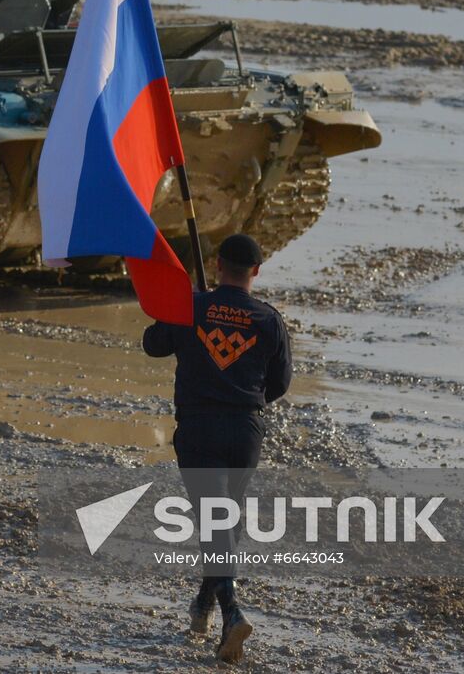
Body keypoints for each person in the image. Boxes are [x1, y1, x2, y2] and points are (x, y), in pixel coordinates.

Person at [142, 233, 292, 665]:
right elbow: (280, 384)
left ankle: (231, 611)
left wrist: (176, 304)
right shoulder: (269, 319)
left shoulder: (192, 306)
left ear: (217, 263)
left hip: (200, 427)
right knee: (224, 521)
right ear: (257, 271)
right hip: (245, 431)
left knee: (214, 522)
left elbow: (152, 344)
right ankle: (203, 606)